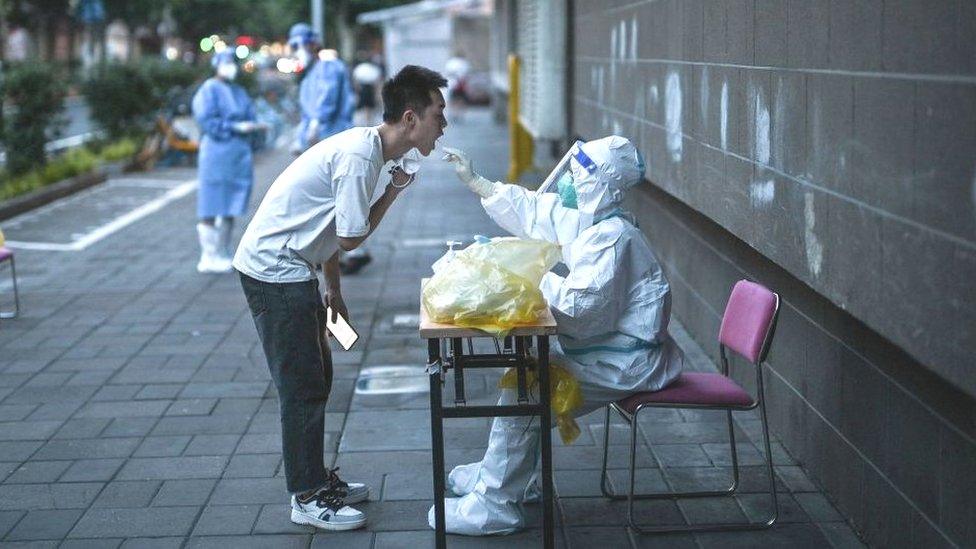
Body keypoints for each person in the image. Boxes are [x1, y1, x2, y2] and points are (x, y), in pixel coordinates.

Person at [233, 65, 448, 532]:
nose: (444, 125)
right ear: (410, 119)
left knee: (319, 375)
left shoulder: (368, 150)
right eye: (438, 114)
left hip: (295, 269)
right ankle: (306, 496)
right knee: (302, 385)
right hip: (274, 272)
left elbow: (329, 223)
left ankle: (314, 477)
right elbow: (350, 237)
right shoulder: (360, 157)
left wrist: (334, 287)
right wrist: (394, 191)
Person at [434, 136, 684, 535]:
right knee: (526, 383)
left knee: (526, 393)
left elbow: (582, 310)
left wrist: (528, 276)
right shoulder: (595, 222)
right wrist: (481, 184)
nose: (569, 178)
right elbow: (540, 213)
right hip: (607, 350)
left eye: (579, 172)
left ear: (600, 183)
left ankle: (495, 505)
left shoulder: (613, 238)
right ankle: (507, 478)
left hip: (626, 362)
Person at [191, 49, 262, 273]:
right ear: (216, 64)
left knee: (232, 204)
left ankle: (223, 251)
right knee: (211, 203)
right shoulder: (208, 90)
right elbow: (206, 120)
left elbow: (251, 115)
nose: (230, 65)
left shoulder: (238, 91)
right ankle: (208, 256)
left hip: (238, 155)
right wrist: (234, 126)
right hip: (216, 153)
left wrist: (254, 126)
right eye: (226, 62)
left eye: (233, 62)